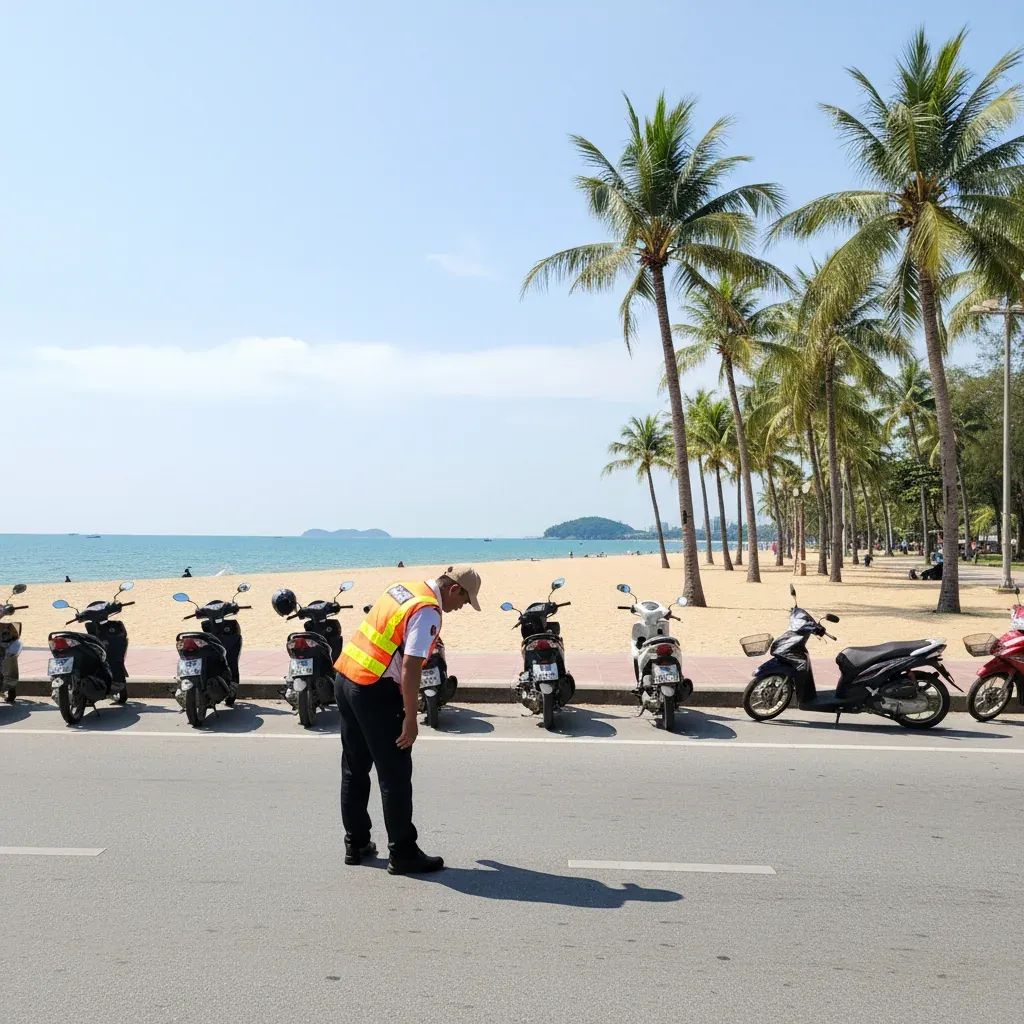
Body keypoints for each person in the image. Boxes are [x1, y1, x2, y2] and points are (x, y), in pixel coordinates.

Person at [333, 565, 481, 875]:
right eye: (465, 601)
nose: (460, 608)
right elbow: (412, 667)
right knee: (395, 774)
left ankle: (356, 843)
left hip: (346, 678)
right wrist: (411, 718)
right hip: (374, 690)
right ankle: (402, 852)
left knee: (354, 768)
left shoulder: (403, 589)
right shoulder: (428, 611)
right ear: (454, 590)